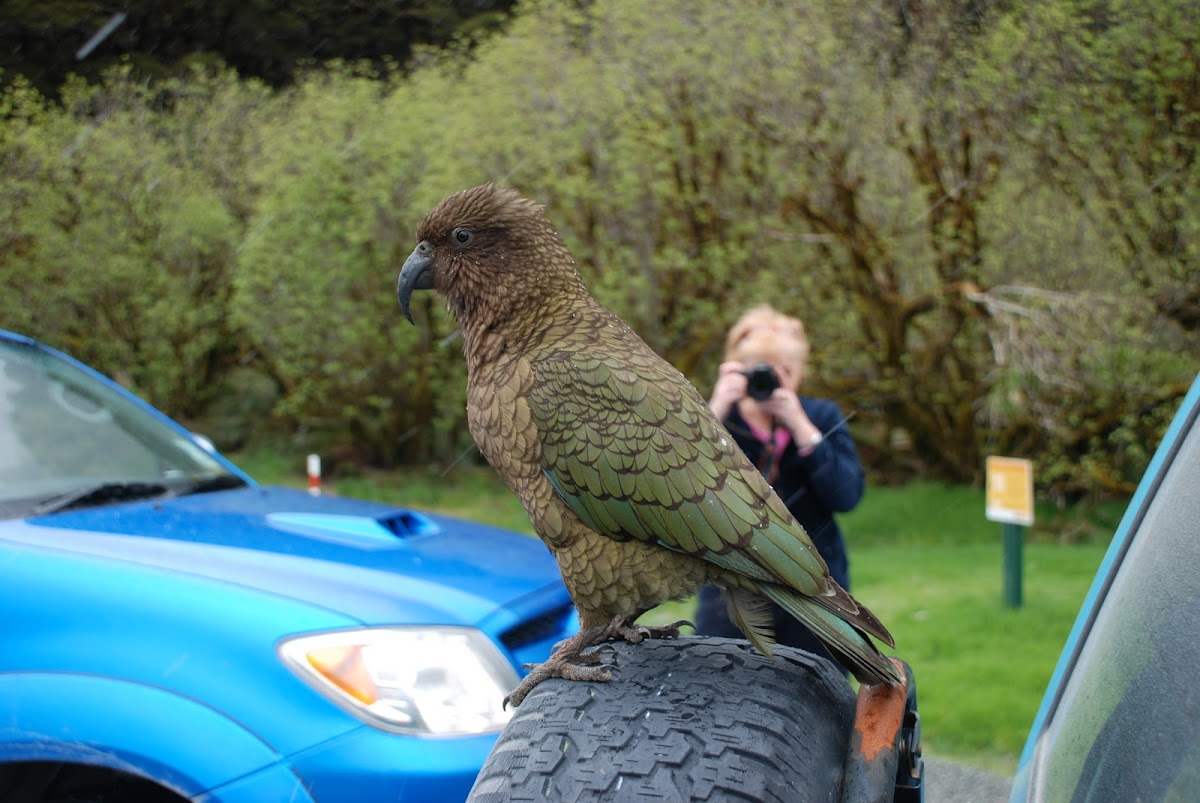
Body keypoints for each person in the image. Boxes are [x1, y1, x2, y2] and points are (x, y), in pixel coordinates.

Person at [694, 304, 865, 666]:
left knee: (818, 684)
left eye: (782, 371)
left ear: (799, 373)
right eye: (758, 371)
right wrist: (716, 407)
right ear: (734, 369)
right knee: (718, 680)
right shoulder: (717, 423)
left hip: (815, 583)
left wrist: (802, 429)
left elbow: (846, 495)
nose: (768, 381)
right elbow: (676, 478)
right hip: (731, 582)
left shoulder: (820, 417)